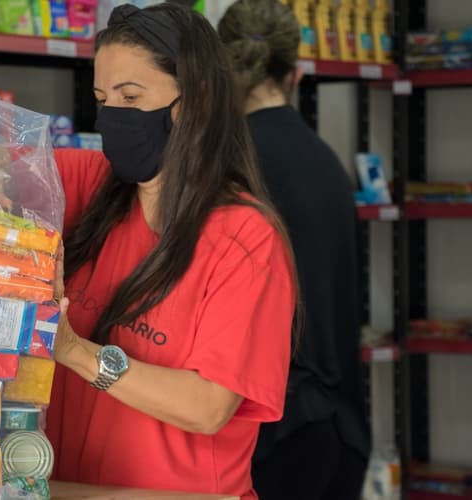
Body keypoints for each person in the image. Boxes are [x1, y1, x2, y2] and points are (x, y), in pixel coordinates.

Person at [44, 3, 297, 497]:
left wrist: (74, 352)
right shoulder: (96, 185)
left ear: (193, 100)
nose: (112, 114)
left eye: (130, 96)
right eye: (102, 98)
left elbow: (207, 408)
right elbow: (5, 161)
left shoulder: (243, 237)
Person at [217, 1, 372, 499]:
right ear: (297, 76)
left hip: (266, 435)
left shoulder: (227, 168)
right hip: (341, 430)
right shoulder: (328, 164)